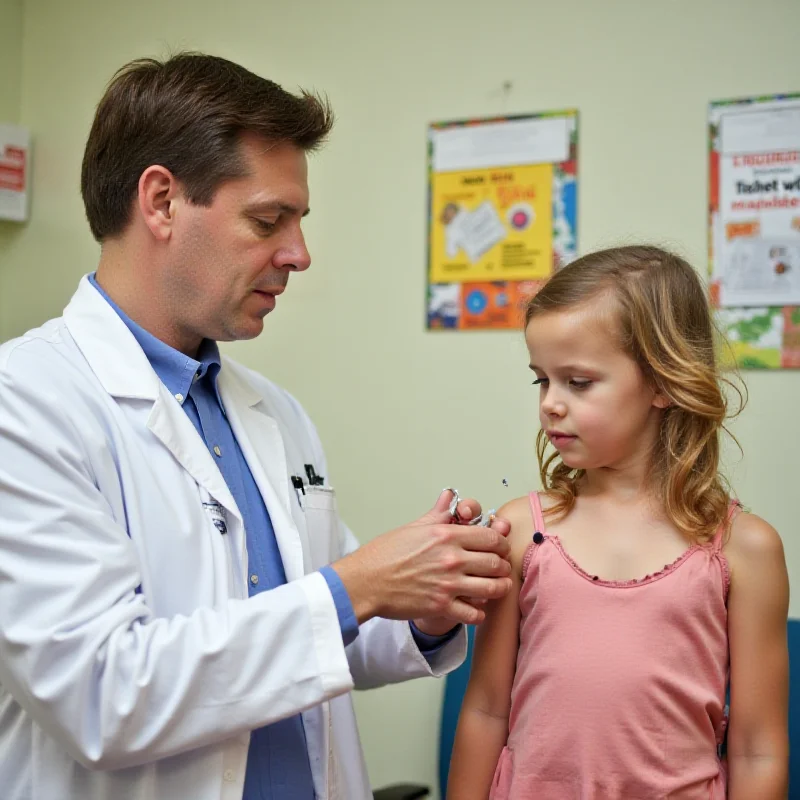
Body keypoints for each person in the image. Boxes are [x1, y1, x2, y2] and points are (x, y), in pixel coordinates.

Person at [0, 53, 513, 800]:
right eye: (268, 221)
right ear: (162, 202)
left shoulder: (270, 411)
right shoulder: (27, 401)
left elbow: (323, 636)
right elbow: (101, 695)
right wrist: (357, 588)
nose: (298, 255)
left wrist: (425, 605)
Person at [448, 245, 789, 799]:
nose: (551, 404)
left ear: (663, 383)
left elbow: (757, 747)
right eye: (542, 380)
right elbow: (487, 710)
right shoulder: (520, 534)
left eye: (578, 382)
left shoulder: (743, 550)